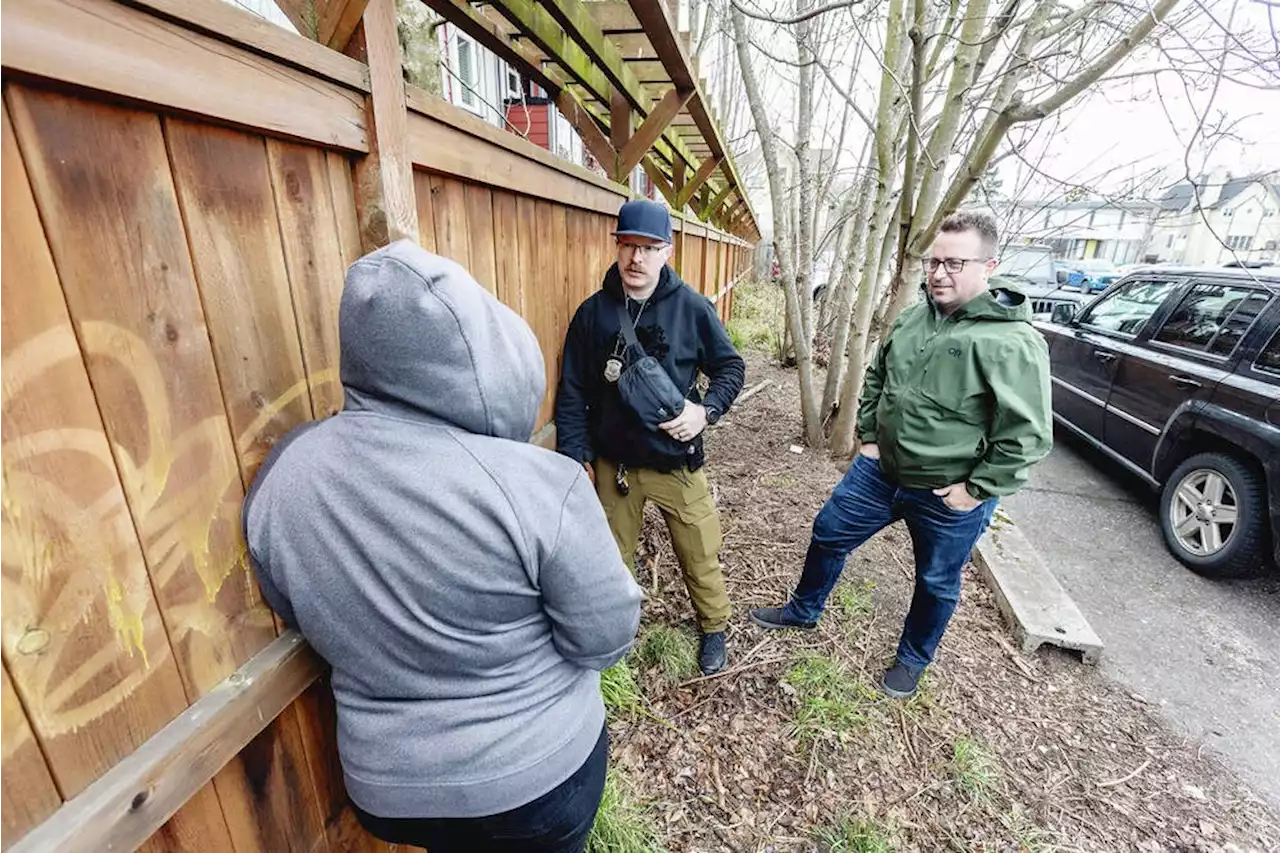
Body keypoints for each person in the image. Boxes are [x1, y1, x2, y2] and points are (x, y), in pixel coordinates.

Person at [243, 240, 643, 853]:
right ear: (493, 360)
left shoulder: (286, 474)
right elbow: (606, 636)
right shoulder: (539, 484)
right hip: (534, 783)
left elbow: (294, 600)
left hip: (388, 792)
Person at [749, 209, 1053, 699]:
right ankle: (804, 610)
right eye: (935, 262)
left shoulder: (1011, 343)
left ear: (989, 265)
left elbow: (1028, 435)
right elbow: (877, 376)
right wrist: (868, 437)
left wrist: (977, 491)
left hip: (946, 492)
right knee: (828, 533)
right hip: (880, 473)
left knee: (935, 582)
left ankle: (913, 659)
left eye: (954, 263)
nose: (939, 274)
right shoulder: (915, 319)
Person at [556, 199, 746, 676]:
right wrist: (575, 453)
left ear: (667, 250)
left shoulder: (692, 309)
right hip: (613, 464)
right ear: (617, 247)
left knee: (700, 549)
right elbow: (573, 388)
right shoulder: (593, 314)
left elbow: (730, 367)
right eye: (627, 245)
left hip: (675, 460)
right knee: (611, 559)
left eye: (648, 248)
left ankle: (713, 626)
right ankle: (615, 633)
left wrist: (706, 413)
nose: (635, 259)